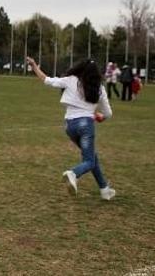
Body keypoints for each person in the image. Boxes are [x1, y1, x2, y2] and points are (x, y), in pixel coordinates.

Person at [25, 56, 115, 201]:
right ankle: (73, 173)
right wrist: (100, 117)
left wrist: (34, 66)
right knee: (89, 161)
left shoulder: (71, 80)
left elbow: (47, 80)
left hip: (70, 126)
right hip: (86, 126)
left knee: (91, 157)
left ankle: (104, 189)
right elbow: (108, 113)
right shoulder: (100, 89)